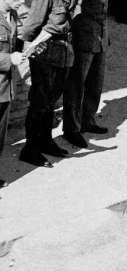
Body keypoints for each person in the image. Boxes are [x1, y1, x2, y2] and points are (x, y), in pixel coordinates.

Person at [19, 0, 79, 167]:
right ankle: (30, 149)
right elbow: (32, 25)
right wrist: (30, 49)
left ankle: (46, 140)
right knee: (40, 102)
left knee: (51, 101)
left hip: (64, 53)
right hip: (45, 53)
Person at [63, 0, 108, 140]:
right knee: (76, 85)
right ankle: (72, 129)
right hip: (84, 36)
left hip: (101, 37)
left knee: (96, 83)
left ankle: (87, 120)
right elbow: (67, 8)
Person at [0, 0, 25, 186]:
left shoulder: (12, 16)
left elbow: (13, 45)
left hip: (5, 89)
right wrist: (10, 59)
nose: (23, 1)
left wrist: (25, 51)